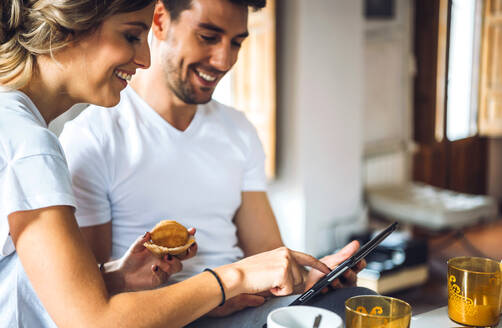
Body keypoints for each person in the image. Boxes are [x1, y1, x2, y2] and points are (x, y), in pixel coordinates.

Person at [0, 1, 345, 327]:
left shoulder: (16, 128)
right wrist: (235, 277)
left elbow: (37, 287)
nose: (145, 57)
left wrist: (121, 278)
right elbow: (94, 320)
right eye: (132, 36)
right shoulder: (32, 146)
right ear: (68, 29)